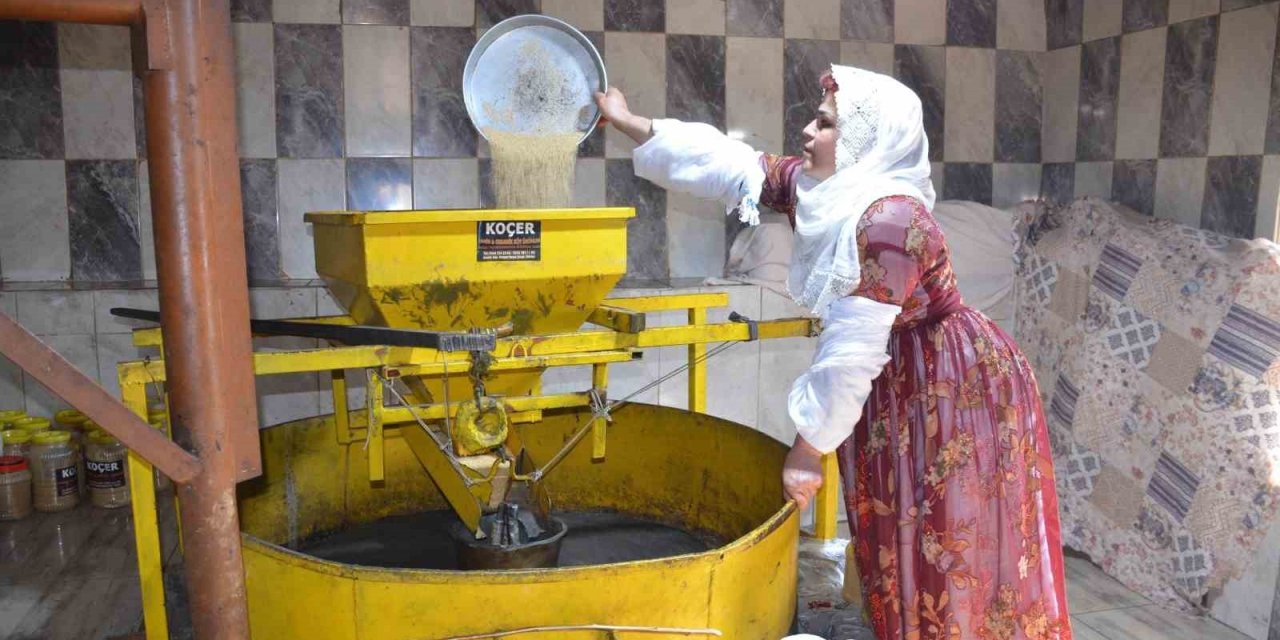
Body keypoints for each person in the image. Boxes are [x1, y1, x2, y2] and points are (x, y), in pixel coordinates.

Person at [595, 65, 1072, 640]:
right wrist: (630, 122)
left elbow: (850, 356)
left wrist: (806, 450)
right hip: (899, 379)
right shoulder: (833, 191)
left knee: (946, 533)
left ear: (865, 144)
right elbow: (735, 165)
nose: (806, 131)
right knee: (900, 519)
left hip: (954, 387)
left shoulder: (888, 221)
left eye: (824, 123)